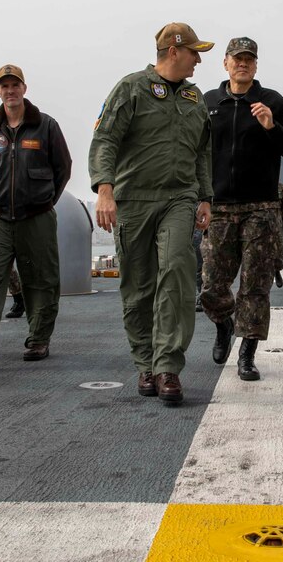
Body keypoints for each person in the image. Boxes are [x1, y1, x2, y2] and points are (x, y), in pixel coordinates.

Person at [89, 23, 214, 404]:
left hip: (179, 198)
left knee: (177, 271)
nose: (198, 60)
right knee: (139, 286)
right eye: (194, 52)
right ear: (173, 51)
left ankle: (168, 366)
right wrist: (104, 189)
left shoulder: (194, 97)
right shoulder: (131, 88)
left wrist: (205, 197)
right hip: (133, 200)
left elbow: (202, 151)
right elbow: (105, 138)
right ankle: (145, 362)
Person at [0, 64, 72, 371]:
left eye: (15, 85)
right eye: (4, 86)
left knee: (40, 279)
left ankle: (38, 338)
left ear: (24, 88)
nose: (10, 91)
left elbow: (63, 167)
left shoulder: (46, 125)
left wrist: (45, 200)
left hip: (37, 216)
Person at [199, 36, 283, 381]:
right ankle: (224, 325)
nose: (243, 63)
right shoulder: (208, 101)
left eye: (249, 59)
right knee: (212, 286)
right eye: (237, 58)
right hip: (220, 206)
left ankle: (247, 354)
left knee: (255, 287)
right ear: (225, 63)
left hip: (261, 207)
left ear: (256, 65)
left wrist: (271, 125)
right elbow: (196, 149)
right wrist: (200, 197)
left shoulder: (272, 100)